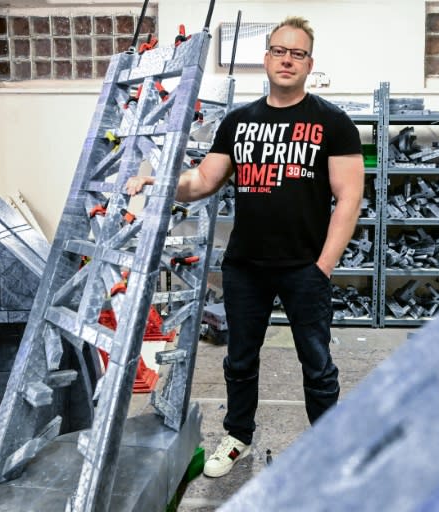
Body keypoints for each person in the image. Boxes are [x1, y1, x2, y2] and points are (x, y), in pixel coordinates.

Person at [126, 16, 364, 478]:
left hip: (305, 267)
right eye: (280, 50)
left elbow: (349, 199)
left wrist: (323, 267)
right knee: (239, 360)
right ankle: (237, 436)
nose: (287, 60)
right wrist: (160, 184)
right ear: (266, 57)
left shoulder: (332, 122)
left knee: (317, 363)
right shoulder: (239, 121)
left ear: (309, 63)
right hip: (245, 267)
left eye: (297, 54)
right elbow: (202, 181)